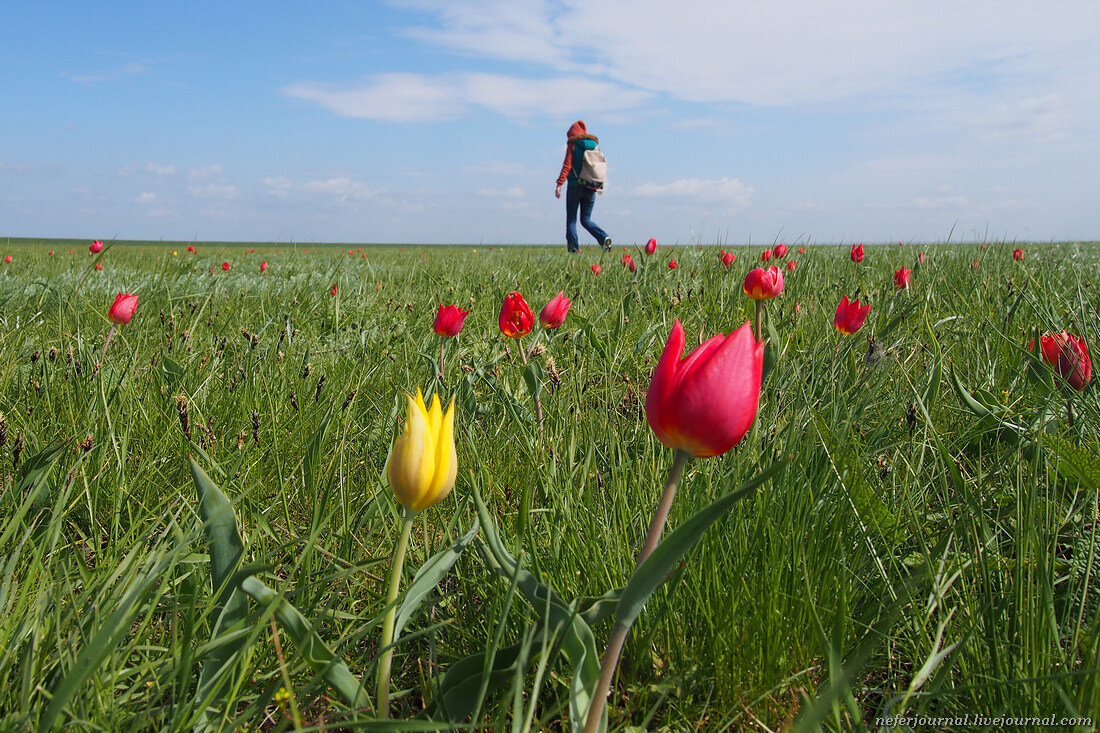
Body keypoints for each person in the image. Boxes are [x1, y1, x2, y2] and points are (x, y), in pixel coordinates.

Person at [555, 120, 611, 253]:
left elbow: (567, 165)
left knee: (571, 221)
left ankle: (573, 251)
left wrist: (559, 184)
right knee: (586, 220)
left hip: (575, 187)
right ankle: (603, 237)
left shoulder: (573, 144)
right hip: (591, 186)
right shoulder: (594, 145)